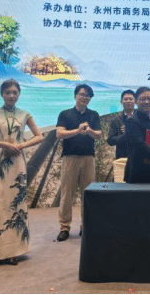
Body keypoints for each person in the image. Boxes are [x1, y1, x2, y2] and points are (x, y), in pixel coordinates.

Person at [0, 79, 44, 266]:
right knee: (1, 203)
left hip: (18, 162)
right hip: (0, 163)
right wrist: (4, 144)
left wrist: (21, 145)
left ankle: (14, 250)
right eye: (8, 92)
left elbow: (39, 136)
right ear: (2, 94)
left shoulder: (24, 114)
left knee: (17, 205)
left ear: (19, 94)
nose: (11, 96)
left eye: (15, 92)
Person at [55, 84, 102, 242]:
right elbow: (59, 134)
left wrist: (89, 131)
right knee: (67, 194)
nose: (84, 97)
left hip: (89, 158)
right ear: (75, 96)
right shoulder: (65, 114)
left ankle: (85, 226)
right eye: (82, 94)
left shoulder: (94, 115)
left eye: (88, 95)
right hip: (70, 158)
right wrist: (77, 130)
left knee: (87, 194)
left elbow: (98, 135)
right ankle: (64, 227)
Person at [107, 89, 135, 182]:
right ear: (121, 102)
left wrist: (133, 131)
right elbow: (110, 140)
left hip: (139, 158)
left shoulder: (142, 118)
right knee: (121, 186)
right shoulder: (116, 120)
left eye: (130, 99)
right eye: (125, 99)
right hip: (121, 158)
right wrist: (126, 135)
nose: (128, 101)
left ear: (135, 101)